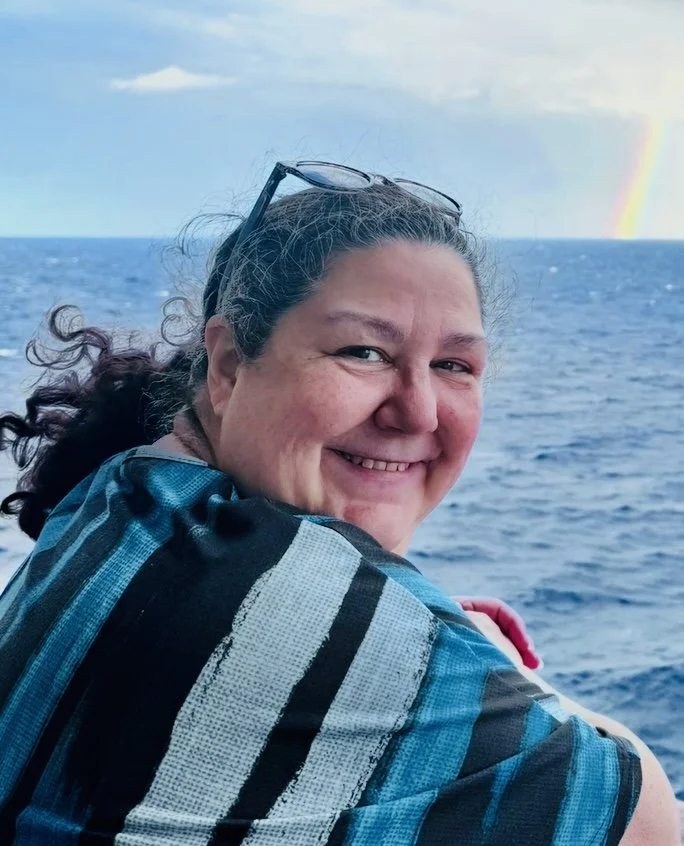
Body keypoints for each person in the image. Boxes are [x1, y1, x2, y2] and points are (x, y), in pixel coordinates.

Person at [0, 160, 679, 845]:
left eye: (454, 366)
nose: (417, 411)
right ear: (231, 363)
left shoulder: (120, 491)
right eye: (363, 351)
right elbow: (642, 813)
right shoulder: (288, 596)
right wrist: (483, 665)